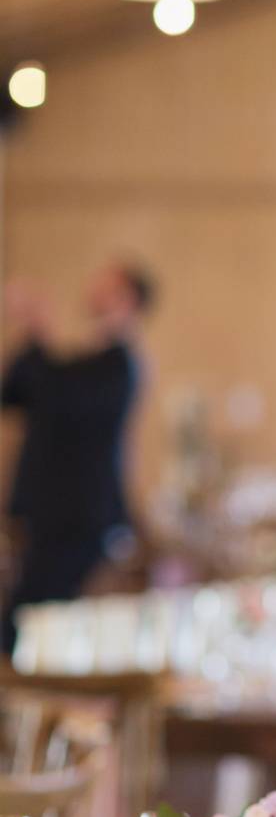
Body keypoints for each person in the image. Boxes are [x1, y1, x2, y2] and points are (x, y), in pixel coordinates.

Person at [1, 263, 156, 649]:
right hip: (55, 516)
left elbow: (58, 394)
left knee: (29, 620)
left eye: (108, 284)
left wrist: (38, 330)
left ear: (127, 299)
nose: (93, 288)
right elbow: (16, 391)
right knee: (29, 617)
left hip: (76, 518)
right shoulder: (87, 364)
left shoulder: (118, 364)